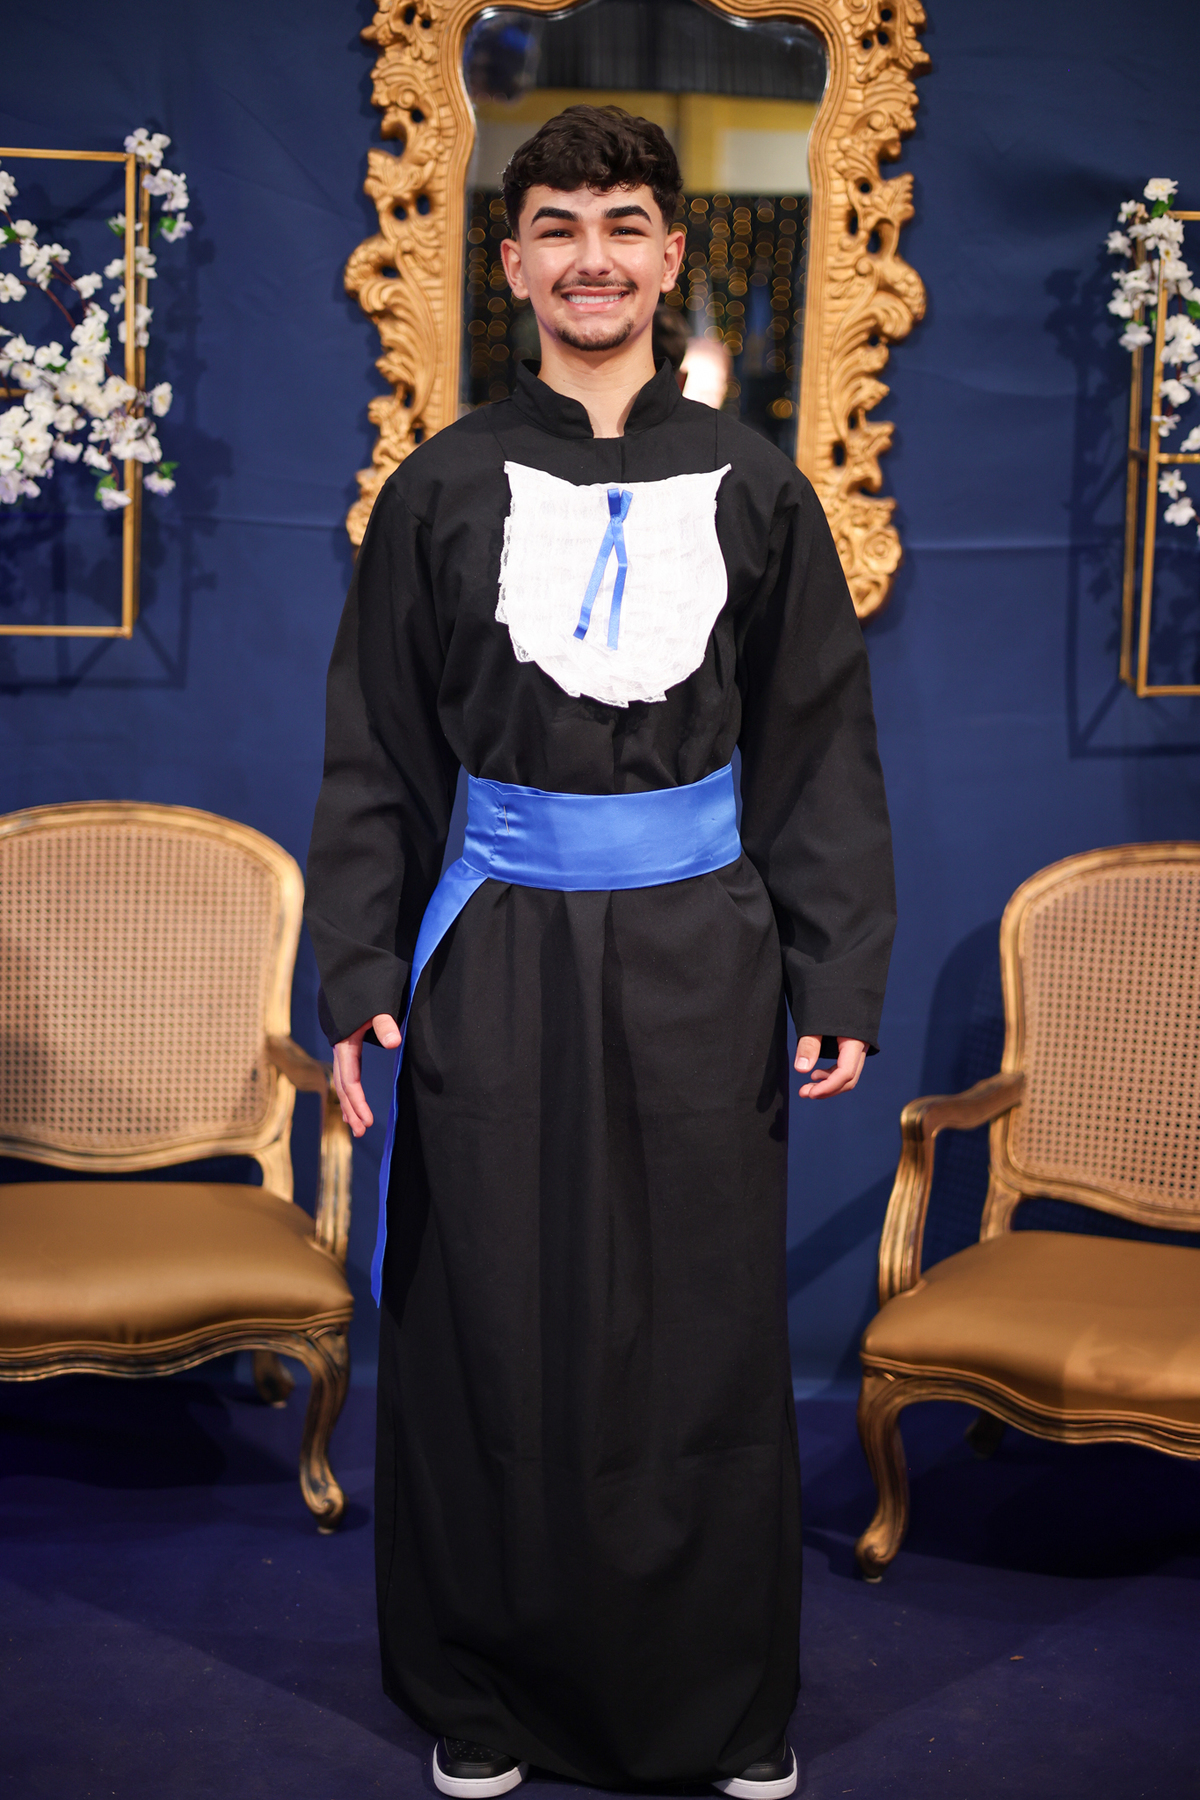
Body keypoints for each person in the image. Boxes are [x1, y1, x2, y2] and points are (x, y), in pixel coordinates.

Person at [305, 104, 895, 1800]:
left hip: (706, 954)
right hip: (494, 950)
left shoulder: (760, 489)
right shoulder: (439, 489)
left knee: (698, 1328)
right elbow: (375, 754)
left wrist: (837, 970)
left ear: (670, 254)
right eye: (557, 226)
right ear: (511, 263)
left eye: (623, 224)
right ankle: (483, 1695)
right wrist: (358, 977)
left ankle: (723, 1707)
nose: (592, 258)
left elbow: (817, 748)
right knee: (494, 1317)